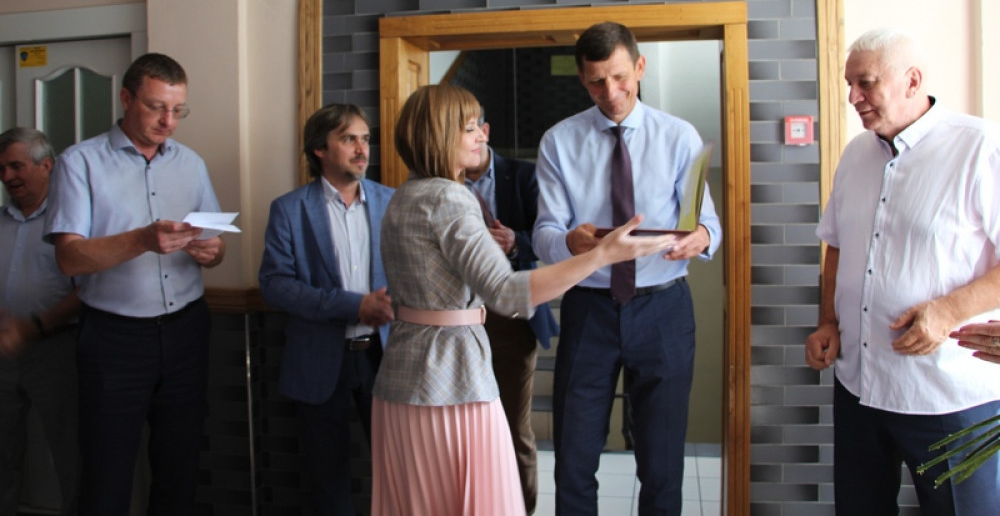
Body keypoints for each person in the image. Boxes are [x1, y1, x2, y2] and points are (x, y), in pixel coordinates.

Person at [370, 84, 676, 516]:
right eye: (470, 128)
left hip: (400, 381)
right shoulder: (450, 198)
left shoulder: (403, 196)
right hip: (451, 383)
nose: (481, 136)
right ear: (439, 135)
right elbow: (507, 292)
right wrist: (601, 256)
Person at [804, 28, 1000, 515]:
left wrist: (948, 310)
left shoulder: (980, 147)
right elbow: (837, 244)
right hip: (859, 387)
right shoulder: (856, 154)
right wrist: (828, 321)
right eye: (849, 84)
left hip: (947, 397)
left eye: (866, 83)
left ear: (912, 81)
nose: (853, 97)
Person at [532, 21, 722, 516]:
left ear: (639, 66)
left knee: (662, 465)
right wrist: (569, 242)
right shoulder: (558, 142)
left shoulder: (679, 136)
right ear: (582, 78)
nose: (611, 93)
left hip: (664, 310)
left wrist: (702, 238)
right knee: (574, 460)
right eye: (596, 82)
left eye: (619, 77)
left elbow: (707, 223)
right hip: (589, 310)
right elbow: (545, 233)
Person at [44, 52, 227, 516]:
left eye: (178, 110)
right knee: (106, 473)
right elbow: (69, 257)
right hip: (114, 339)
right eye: (156, 107)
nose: (169, 122)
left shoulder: (191, 163)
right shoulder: (79, 163)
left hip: (186, 330)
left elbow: (215, 242)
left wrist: (213, 253)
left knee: (179, 467)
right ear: (126, 99)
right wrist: (142, 240)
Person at [259, 103, 394, 515]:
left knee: (398, 472)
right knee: (327, 480)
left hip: (385, 356)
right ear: (319, 148)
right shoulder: (289, 209)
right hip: (318, 359)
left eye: (365, 139)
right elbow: (276, 286)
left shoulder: (393, 203)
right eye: (349, 139)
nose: (362, 149)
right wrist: (355, 306)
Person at [464, 108, 558, 515]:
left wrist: (515, 242)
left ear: (484, 131)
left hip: (512, 318)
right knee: (468, 429)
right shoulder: (442, 183)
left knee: (513, 427)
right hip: (458, 319)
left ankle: (522, 508)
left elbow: (550, 237)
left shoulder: (522, 175)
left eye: (469, 129)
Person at [0, 128, 79, 516]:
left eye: (16, 166)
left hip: (57, 349)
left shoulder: (69, 224)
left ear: (46, 165)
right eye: (1, 169)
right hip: (3, 353)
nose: (7, 177)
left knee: (70, 452)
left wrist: (33, 327)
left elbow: (87, 292)